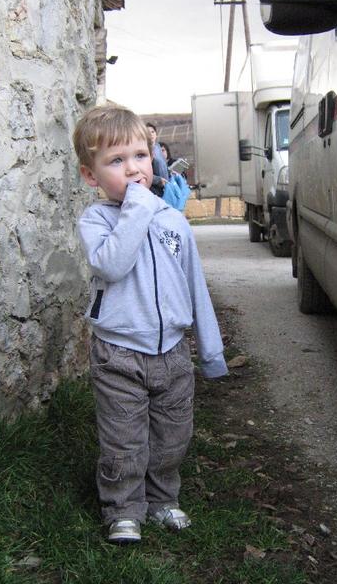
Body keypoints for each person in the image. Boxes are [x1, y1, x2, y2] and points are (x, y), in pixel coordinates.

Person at [73, 105, 229, 544]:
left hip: (173, 352)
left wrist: (211, 351)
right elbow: (113, 264)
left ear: (153, 155)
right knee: (123, 438)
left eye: (140, 156)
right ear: (91, 175)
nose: (133, 169)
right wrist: (139, 206)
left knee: (172, 435)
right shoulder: (96, 221)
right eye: (116, 161)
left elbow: (195, 285)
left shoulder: (173, 221)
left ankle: (162, 499)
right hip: (118, 354)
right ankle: (123, 508)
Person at [146, 122, 169, 196]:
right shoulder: (144, 150)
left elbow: (163, 165)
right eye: (148, 132)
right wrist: (158, 180)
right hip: (154, 189)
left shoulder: (158, 147)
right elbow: (142, 173)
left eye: (152, 132)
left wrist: (170, 171)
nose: (151, 134)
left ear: (156, 134)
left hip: (165, 187)